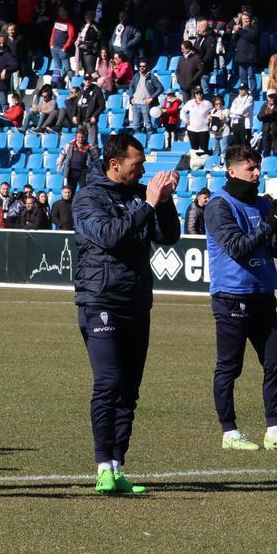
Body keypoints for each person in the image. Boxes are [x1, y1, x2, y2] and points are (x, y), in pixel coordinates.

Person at [73, 133, 181, 494]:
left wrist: (164, 202)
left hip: (137, 301)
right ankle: (103, 464)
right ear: (115, 163)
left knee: (129, 391)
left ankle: (117, 466)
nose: (144, 168)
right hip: (100, 300)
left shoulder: (140, 196)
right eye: (138, 163)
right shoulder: (88, 197)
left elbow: (168, 237)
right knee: (109, 382)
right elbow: (109, 236)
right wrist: (148, 204)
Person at [204, 145, 277, 451]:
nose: (257, 172)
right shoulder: (219, 205)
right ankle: (229, 431)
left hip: (262, 296)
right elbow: (238, 247)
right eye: (250, 168)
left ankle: (274, 429)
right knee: (230, 367)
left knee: (276, 362)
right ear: (231, 171)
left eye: (257, 166)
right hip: (231, 297)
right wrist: (272, 221)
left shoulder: (261, 204)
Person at [58, 129, 98, 195]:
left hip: (83, 172)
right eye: (79, 137)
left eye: (82, 137)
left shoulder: (89, 147)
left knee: (84, 190)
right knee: (69, 190)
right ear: (76, 137)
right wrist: (59, 163)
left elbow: (95, 158)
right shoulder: (70, 145)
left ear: (85, 137)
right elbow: (63, 154)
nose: (80, 139)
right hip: (71, 171)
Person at [128, 60, 163, 134]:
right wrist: (131, 97)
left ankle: (150, 143)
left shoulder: (152, 77)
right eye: (140, 66)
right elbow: (130, 86)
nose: (141, 68)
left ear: (147, 67)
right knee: (136, 126)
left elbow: (160, 88)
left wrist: (152, 97)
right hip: (135, 104)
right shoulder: (136, 75)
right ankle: (138, 143)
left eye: (143, 66)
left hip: (145, 104)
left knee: (148, 126)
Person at [257, 91, 277, 158]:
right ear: (267, 97)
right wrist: (266, 113)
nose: (271, 98)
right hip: (266, 132)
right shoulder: (264, 105)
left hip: (276, 132)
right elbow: (259, 117)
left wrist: (272, 113)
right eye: (270, 97)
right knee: (266, 151)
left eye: (273, 96)